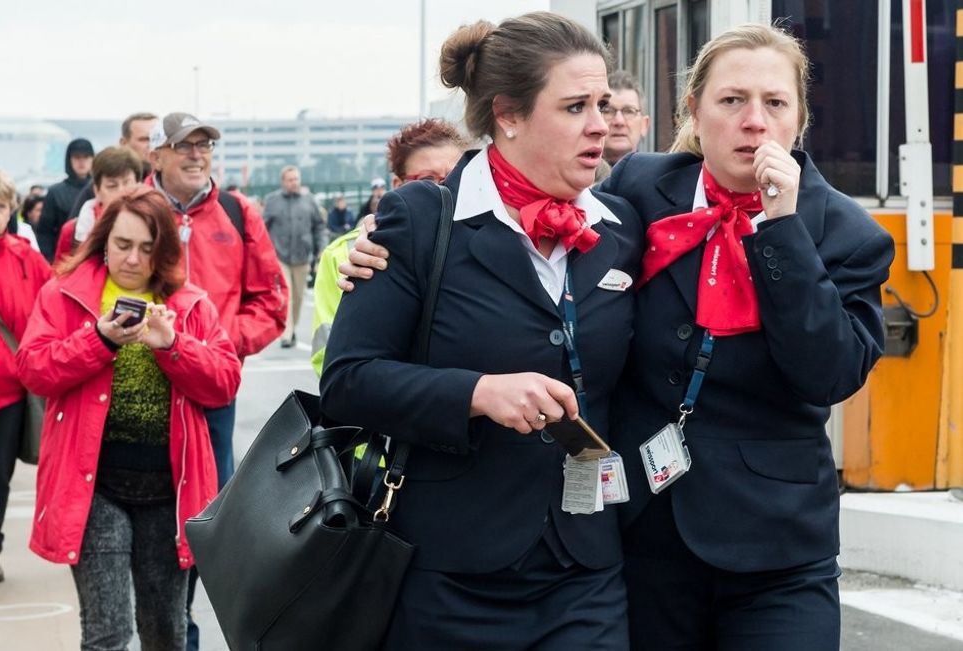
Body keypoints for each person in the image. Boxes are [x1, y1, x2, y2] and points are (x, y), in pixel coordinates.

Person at [339, 22, 896, 651]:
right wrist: (378, 245)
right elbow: (517, 205)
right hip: (637, 533)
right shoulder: (636, 195)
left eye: (775, 103)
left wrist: (782, 229)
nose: (754, 122)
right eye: (732, 100)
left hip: (772, 542)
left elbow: (829, 374)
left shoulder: (848, 234)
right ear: (694, 112)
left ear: (800, 117)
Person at [320, 12, 641, 649]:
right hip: (450, 574)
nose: (601, 125)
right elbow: (348, 383)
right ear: (509, 114)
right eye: (575, 107)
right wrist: (476, 392)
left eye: (603, 104)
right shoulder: (421, 219)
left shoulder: (621, 226)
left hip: (586, 571)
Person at [16, 187, 241, 650]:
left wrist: (173, 346)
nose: (133, 259)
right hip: (93, 487)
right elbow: (34, 370)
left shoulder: (190, 303)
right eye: (122, 245)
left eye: (146, 247)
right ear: (103, 242)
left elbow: (224, 383)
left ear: (163, 251)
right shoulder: (64, 294)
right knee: (107, 633)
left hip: (168, 491)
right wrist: (98, 340)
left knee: (165, 631)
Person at [146, 111, 285, 651]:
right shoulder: (136, 210)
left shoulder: (237, 211)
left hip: (210, 390)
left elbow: (271, 301)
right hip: (144, 382)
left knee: (206, 517)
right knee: (147, 512)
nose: (196, 154)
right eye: (184, 145)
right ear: (157, 155)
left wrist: (223, 344)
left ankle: (180, 626)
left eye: (204, 145)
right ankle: (165, 625)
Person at [310, 117, 465, 378]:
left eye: (455, 178)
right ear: (398, 185)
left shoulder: (492, 240)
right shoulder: (347, 253)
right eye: (428, 180)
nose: (444, 189)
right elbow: (330, 358)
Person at [0, 167, 51, 591]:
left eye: (0, 206)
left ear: (11, 210)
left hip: (10, 387)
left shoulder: (26, 258)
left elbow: (54, 307)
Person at [261, 165, 327, 348]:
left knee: (298, 297)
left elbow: (319, 227)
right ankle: (286, 333)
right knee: (287, 295)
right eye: (290, 180)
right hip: (279, 256)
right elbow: (262, 228)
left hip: (303, 257)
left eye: (296, 179)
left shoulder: (310, 200)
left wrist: (321, 249)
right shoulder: (272, 201)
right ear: (283, 181)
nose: (294, 183)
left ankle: (293, 328)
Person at [53, 146, 143, 263]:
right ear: (97, 191)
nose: (122, 192)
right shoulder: (73, 231)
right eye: (112, 186)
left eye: (127, 183)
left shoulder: (153, 224)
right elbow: (60, 272)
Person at [68, 113, 159, 219]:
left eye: (156, 139)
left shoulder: (168, 183)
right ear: (124, 142)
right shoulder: (102, 184)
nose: (152, 145)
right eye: (144, 139)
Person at [36, 138, 95, 261]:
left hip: (94, 255)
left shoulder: (100, 190)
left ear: (92, 159)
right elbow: (45, 233)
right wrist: (50, 261)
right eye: (77, 157)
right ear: (69, 160)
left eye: (86, 157)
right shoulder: (55, 192)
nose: (81, 161)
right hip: (62, 257)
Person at [603, 70, 650, 165]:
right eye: (608, 111)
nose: (619, 121)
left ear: (644, 125)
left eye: (629, 111)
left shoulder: (660, 173)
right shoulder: (575, 172)